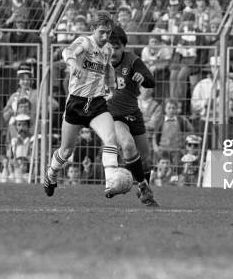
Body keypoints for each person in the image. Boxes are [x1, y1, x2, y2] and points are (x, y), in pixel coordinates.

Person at [43, 11, 122, 199]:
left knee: (111, 139)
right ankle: (51, 174)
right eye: (101, 32)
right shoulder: (85, 42)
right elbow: (67, 52)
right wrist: (74, 65)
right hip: (76, 102)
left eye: (108, 33)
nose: (105, 37)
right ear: (93, 29)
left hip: (97, 104)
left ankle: (111, 183)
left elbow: (108, 70)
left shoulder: (108, 49)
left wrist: (111, 86)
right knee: (66, 150)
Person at [107, 26, 159, 206]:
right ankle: (144, 189)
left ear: (123, 47)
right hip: (113, 116)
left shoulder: (132, 61)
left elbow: (151, 81)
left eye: (117, 47)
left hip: (133, 114)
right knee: (128, 146)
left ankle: (142, 188)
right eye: (109, 47)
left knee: (145, 159)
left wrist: (142, 78)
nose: (113, 51)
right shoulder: (97, 64)